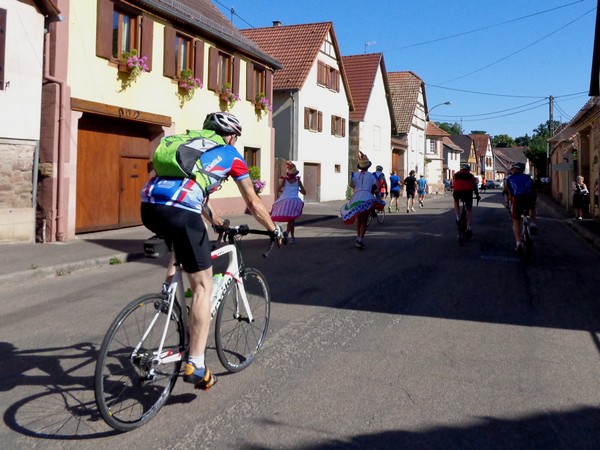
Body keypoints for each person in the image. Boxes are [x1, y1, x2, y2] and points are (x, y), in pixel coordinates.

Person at [140, 112, 282, 390]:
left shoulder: (191, 146)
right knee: (203, 287)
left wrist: (217, 222)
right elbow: (253, 203)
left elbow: (197, 193)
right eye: (235, 138)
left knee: (184, 238)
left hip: (149, 205)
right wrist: (274, 228)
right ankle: (196, 363)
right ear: (231, 136)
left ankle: (168, 293)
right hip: (180, 211)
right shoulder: (229, 154)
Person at [340, 152, 385, 249]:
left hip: (356, 197)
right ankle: (360, 239)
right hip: (367, 197)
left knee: (359, 219)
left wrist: (357, 186)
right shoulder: (372, 176)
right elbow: (377, 187)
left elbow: (351, 185)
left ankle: (358, 238)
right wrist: (376, 191)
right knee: (364, 219)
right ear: (368, 166)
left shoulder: (355, 175)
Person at [270, 161, 306, 244]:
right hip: (294, 201)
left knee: (291, 220)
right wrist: (298, 189)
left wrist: (284, 190)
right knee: (292, 220)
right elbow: (304, 192)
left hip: (285, 201)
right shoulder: (298, 181)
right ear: (295, 173)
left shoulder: (285, 181)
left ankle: (290, 235)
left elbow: (278, 190)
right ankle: (289, 235)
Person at [505, 162, 538, 252]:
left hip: (517, 199)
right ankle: (533, 223)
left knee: (516, 221)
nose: (512, 171)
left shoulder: (510, 179)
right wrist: (534, 200)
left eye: (513, 169)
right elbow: (534, 192)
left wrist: (509, 203)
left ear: (515, 170)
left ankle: (518, 242)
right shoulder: (529, 178)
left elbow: (509, 193)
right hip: (529, 198)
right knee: (532, 207)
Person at [452, 163, 480, 238]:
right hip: (468, 192)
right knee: (469, 209)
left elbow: (454, 183)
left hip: (457, 191)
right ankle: (469, 227)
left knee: (456, 201)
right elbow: (475, 186)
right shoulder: (471, 176)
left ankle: (457, 217)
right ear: (468, 169)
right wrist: (477, 195)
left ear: (461, 169)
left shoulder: (456, 175)